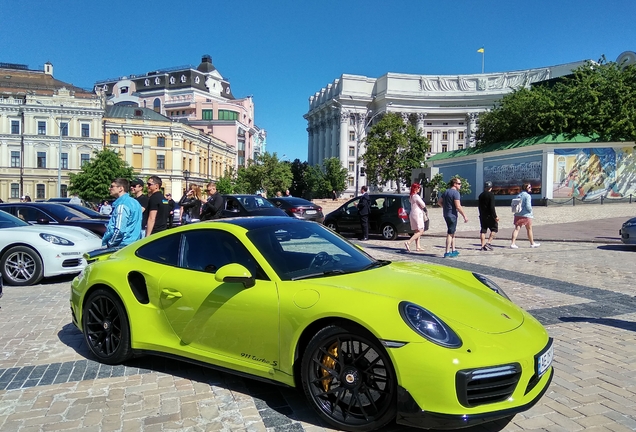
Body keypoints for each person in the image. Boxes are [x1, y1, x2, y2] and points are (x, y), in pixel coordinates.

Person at [101, 178, 142, 248]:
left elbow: (119, 230)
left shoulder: (122, 205)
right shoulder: (135, 202)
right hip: (134, 243)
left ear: (120, 188)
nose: (109, 188)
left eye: (112, 186)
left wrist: (110, 244)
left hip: (122, 246)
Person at [438, 177, 468, 258]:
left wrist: (445, 207)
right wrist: (464, 216)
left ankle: (453, 250)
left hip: (446, 214)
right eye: (459, 184)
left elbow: (439, 202)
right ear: (454, 184)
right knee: (450, 233)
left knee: (452, 232)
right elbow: (458, 206)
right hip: (452, 215)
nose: (460, 185)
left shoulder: (446, 192)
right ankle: (447, 252)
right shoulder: (455, 193)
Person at [510, 183, 540, 249]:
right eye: (529, 187)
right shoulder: (527, 196)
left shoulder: (518, 195)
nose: (530, 188)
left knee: (517, 229)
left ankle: (513, 243)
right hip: (526, 215)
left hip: (518, 214)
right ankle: (532, 243)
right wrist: (531, 210)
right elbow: (528, 206)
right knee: (529, 229)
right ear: (526, 188)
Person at [405, 183, 427, 252]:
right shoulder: (416, 196)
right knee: (421, 230)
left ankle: (418, 246)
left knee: (417, 231)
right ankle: (408, 242)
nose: (419, 189)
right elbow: (423, 205)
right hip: (418, 214)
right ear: (415, 189)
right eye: (418, 188)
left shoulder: (411, 196)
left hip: (413, 213)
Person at [478, 181, 499, 251]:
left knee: (483, 230)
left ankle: (482, 246)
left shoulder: (480, 195)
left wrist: (481, 214)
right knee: (494, 229)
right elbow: (492, 207)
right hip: (489, 215)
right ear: (491, 188)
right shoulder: (491, 195)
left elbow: (479, 206)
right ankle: (488, 242)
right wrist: (495, 216)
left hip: (482, 215)